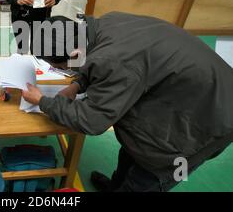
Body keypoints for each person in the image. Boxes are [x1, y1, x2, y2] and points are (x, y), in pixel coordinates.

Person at [22, 12, 233, 192]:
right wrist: (77, 85)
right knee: (133, 145)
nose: (63, 71)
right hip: (185, 89)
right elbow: (100, 63)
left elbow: (92, 120)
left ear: (73, 52)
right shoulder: (100, 27)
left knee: (150, 170)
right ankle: (115, 186)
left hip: (210, 116)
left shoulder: (114, 62)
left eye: (60, 67)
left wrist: (43, 101)